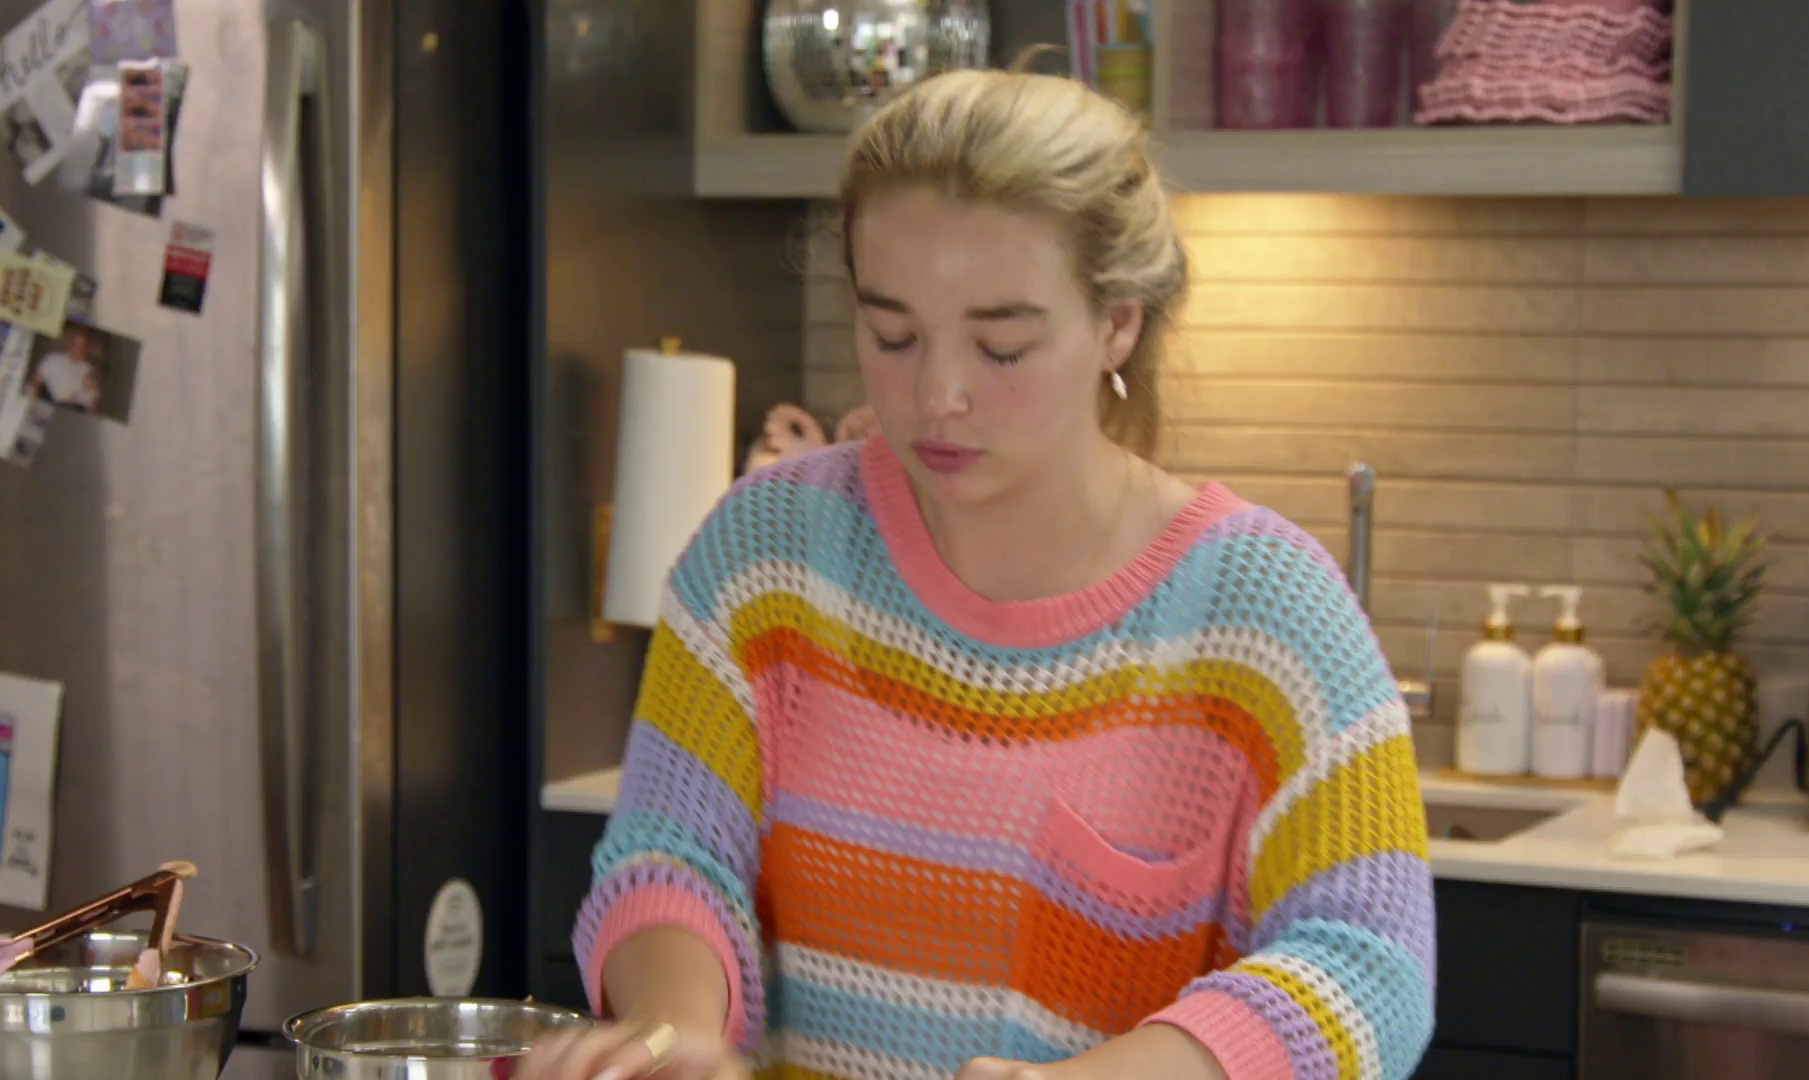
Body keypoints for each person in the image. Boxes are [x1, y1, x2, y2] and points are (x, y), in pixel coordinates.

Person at [521, 59, 1435, 1080]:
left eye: (1000, 348)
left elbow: (1370, 968)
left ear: (1118, 322)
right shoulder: (765, 557)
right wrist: (671, 1033)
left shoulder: (1270, 614)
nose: (937, 396)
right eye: (893, 334)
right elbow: (671, 857)